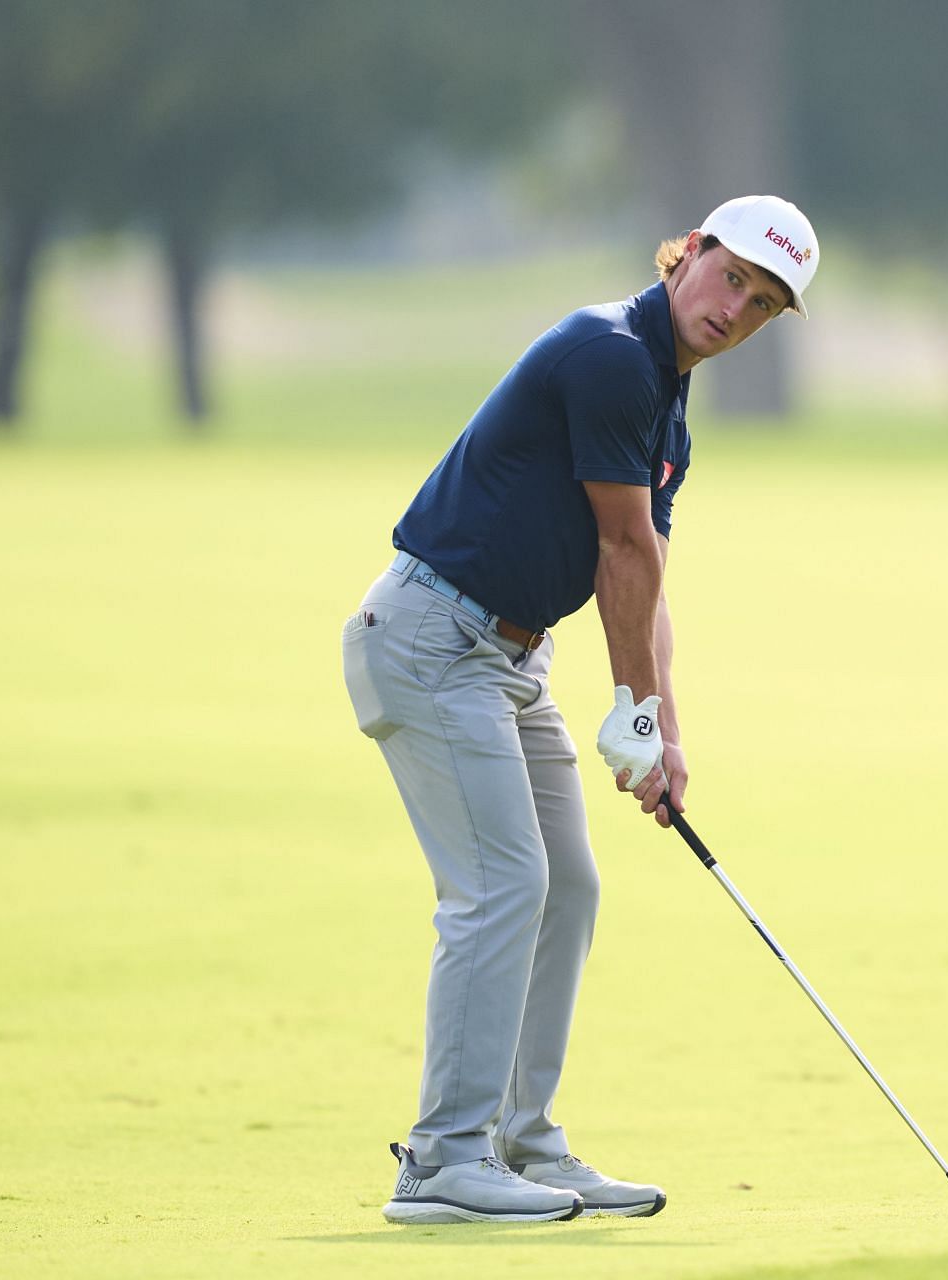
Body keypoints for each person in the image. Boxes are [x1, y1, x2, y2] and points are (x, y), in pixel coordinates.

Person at [340, 195, 819, 1224]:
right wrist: (633, 715)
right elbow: (620, 552)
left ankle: (521, 1140)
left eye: (766, 303)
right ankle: (440, 1158)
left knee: (568, 886)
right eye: (731, 276)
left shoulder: (667, 412)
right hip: (433, 641)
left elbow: (650, 579)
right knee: (503, 885)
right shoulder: (609, 353)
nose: (737, 309)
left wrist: (666, 736)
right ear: (688, 253)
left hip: (506, 661)